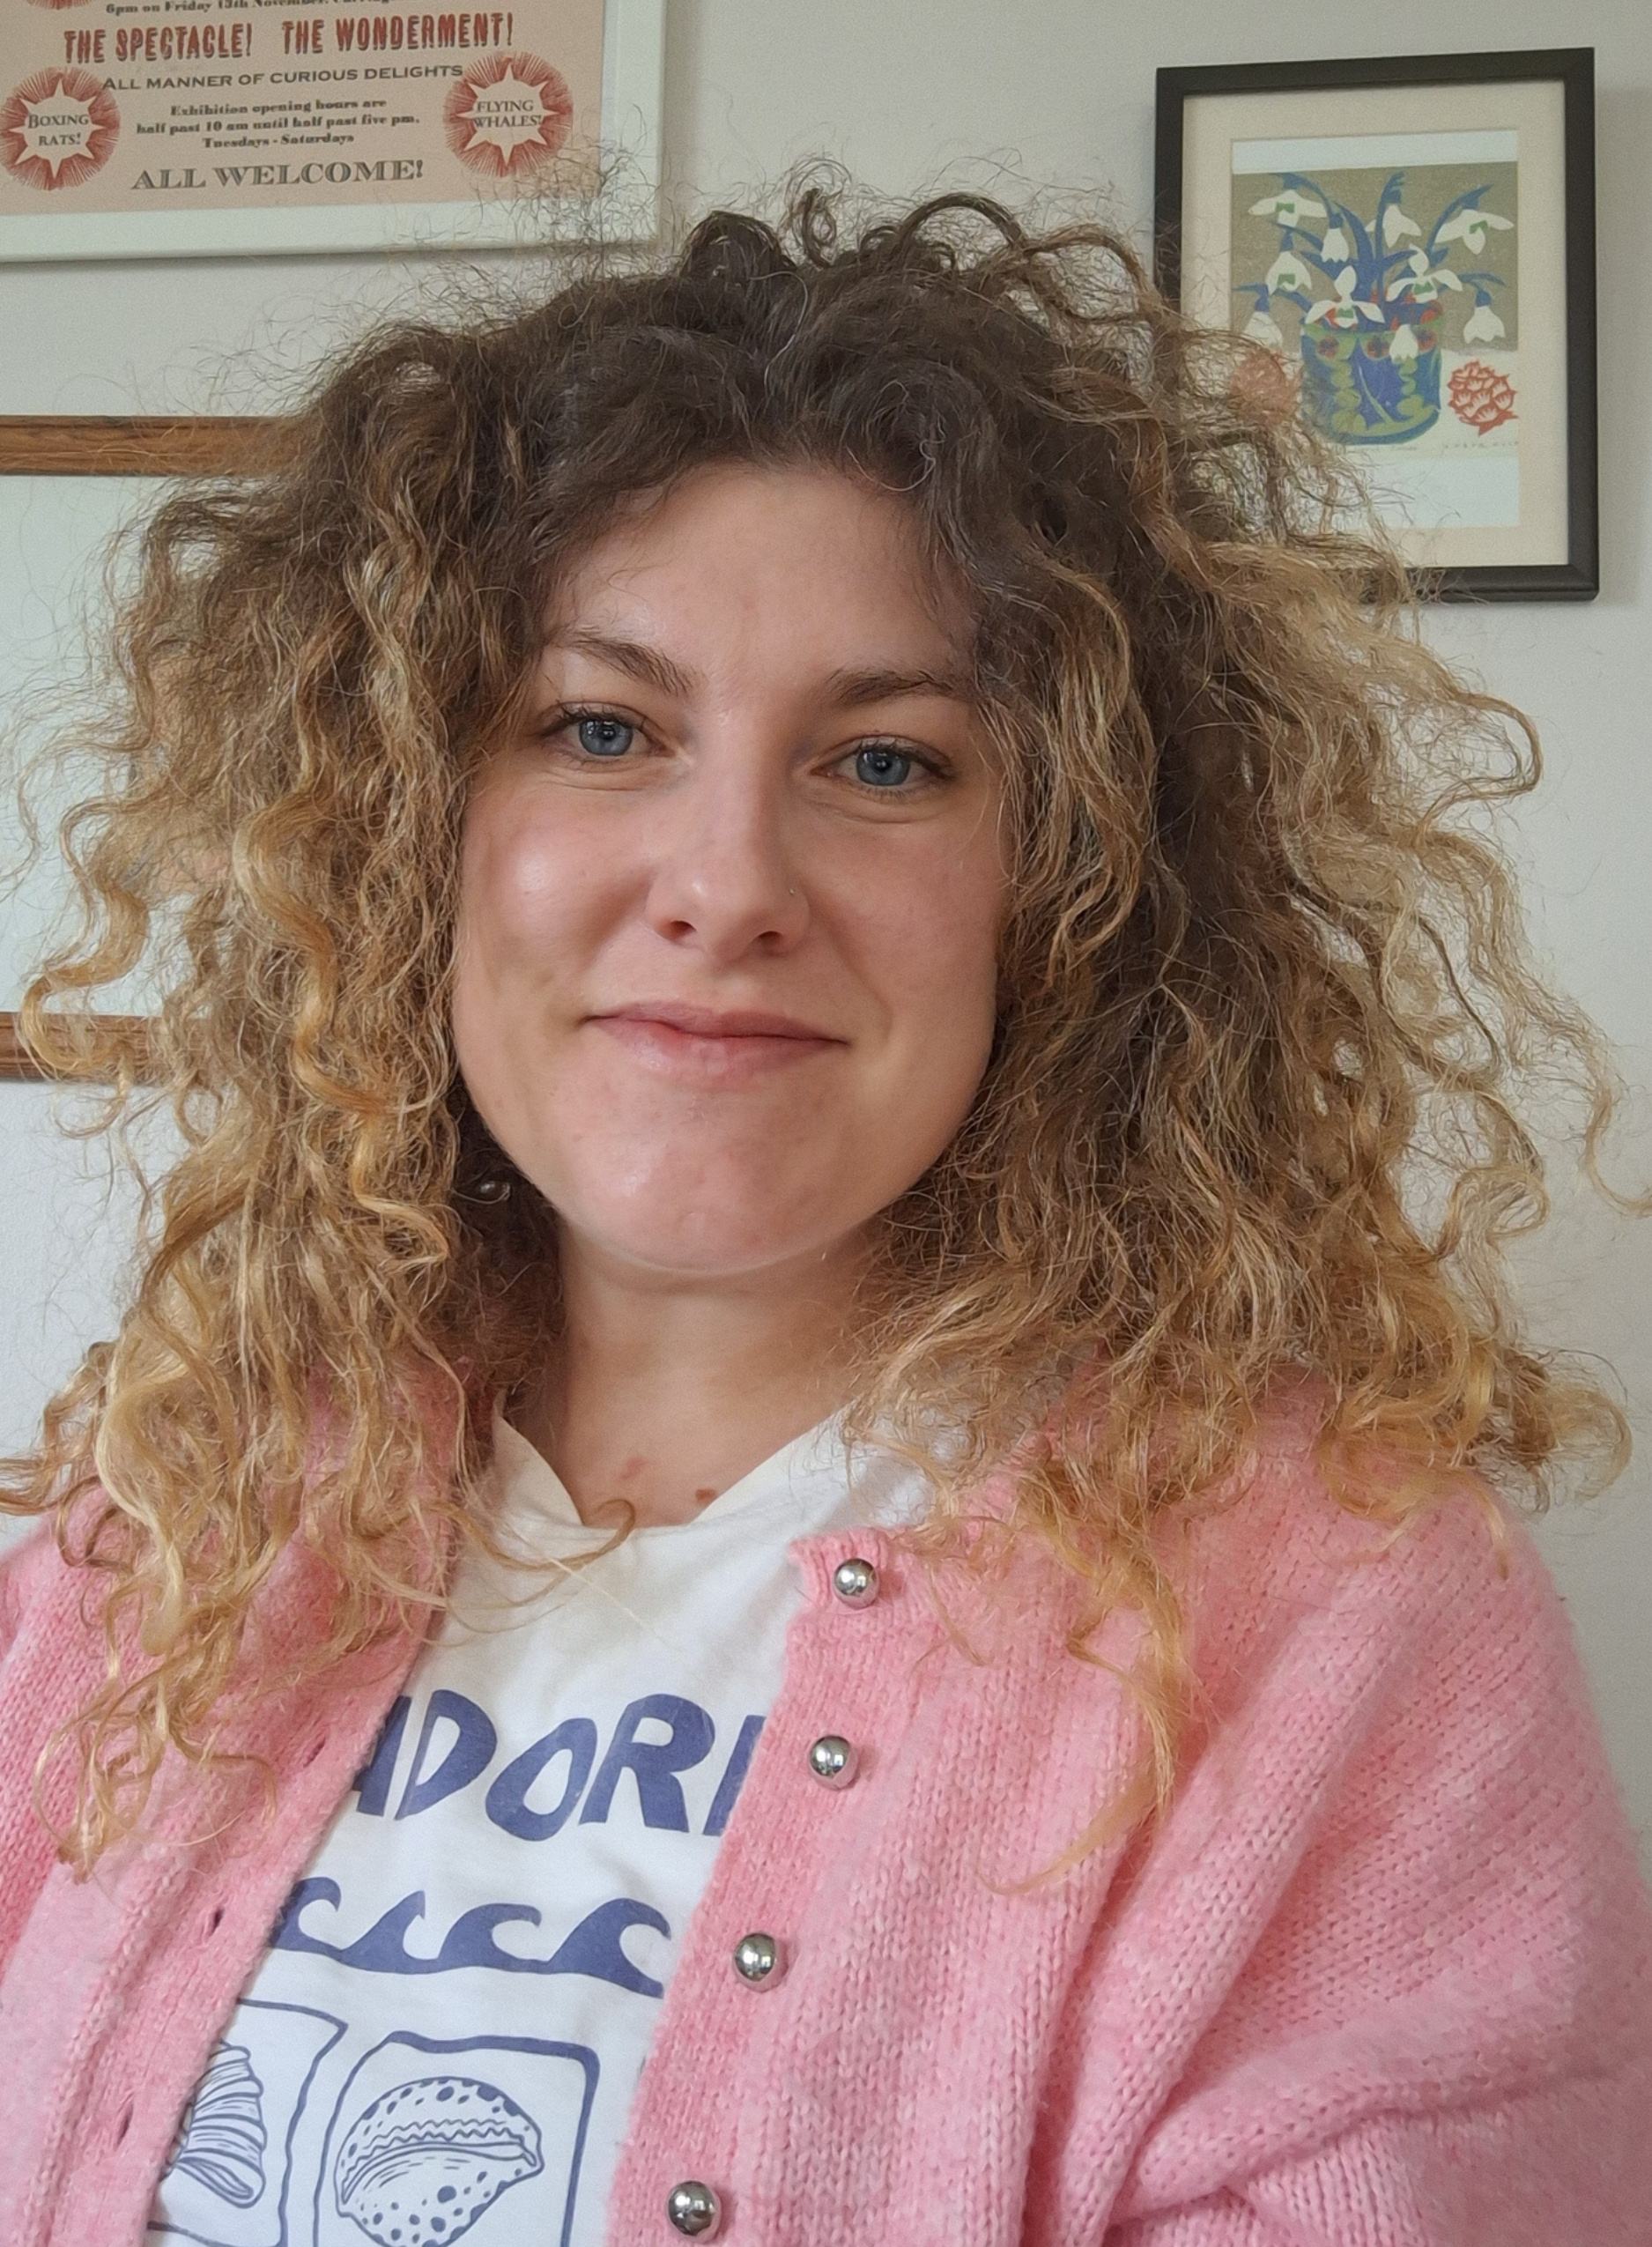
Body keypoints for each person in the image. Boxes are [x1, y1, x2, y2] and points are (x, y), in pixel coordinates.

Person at [0, 187, 1647, 2247]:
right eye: (599, 730)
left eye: (882, 761)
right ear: (407, 831)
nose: (725, 882)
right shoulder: (177, 1514)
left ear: (1074, 898)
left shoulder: (1345, 1616)